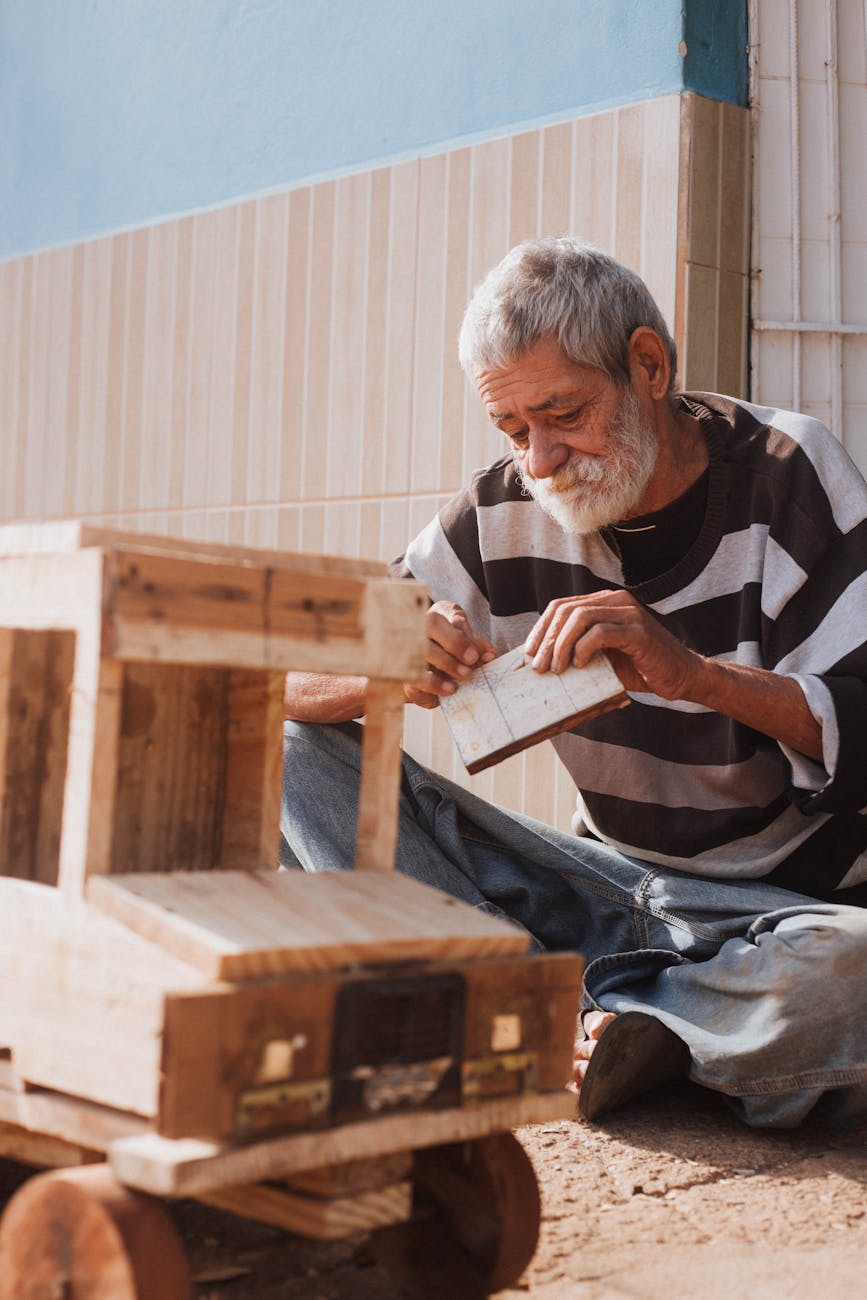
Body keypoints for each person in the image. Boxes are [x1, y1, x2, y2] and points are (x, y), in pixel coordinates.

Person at [282, 238, 867, 1129]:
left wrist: (695, 676)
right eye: (513, 431)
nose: (541, 460)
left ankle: (563, 1017)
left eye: (563, 414)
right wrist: (381, 663)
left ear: (648, 366)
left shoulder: (787, 470)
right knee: (294, 753)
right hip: (594, 878)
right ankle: (622, 1023)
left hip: (775, 911)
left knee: (849, 970)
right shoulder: (498, 510)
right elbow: (284, 675)